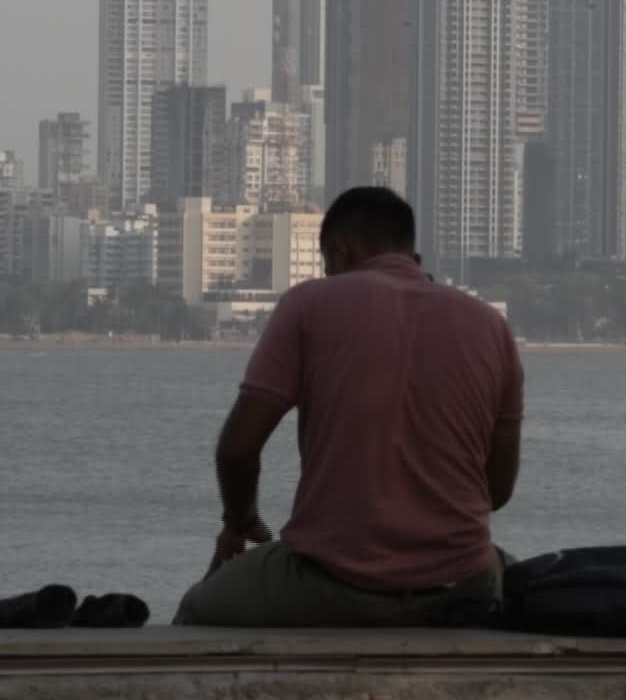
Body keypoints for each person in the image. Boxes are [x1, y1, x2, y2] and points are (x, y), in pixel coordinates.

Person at [174, 187, 524, 627]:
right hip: (463, 587)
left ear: (339, 251)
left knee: (196, 610)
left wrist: (240, 520)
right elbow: (497, 491)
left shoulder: (308, 303)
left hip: (333, 583)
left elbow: (238, 448)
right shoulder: (491, 326)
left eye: (328, 264)